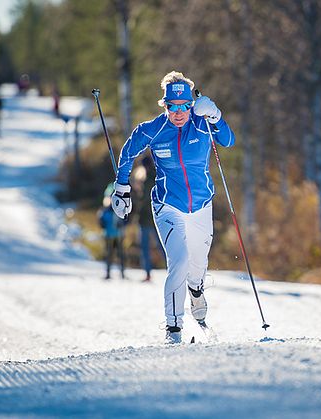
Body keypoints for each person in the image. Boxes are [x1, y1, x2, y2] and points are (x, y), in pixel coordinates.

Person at [110, 71, 235, 344]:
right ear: (164, 105)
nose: (178, 113)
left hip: (202, 205)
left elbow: (228, 140)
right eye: (172, 106)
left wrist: (215, 115)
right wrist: (122, 188)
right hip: (168, 205)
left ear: (191, 105)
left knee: (197, 265)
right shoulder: (153, 129)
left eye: (184, 106)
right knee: (178, 261)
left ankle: (196, 288)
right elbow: (128, 151)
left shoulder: (202, 125)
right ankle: (174, 328)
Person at [133, 155, 164, 282]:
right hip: (154, 217)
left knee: (148, 247)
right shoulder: (156, 175)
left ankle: (148, 273)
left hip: (148, 218)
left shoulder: (145, 177)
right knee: (162, 246)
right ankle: (173, 271)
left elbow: (144, 199)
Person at [98, 184, 126, 279]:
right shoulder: (105, 210)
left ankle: (122, 273)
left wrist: (122, 225)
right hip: (109, 234)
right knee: (109, 254)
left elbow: (126, 219)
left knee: (120, 254)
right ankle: (108, 273)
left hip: (118, 234)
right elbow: (101, 221)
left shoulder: (119, 210)